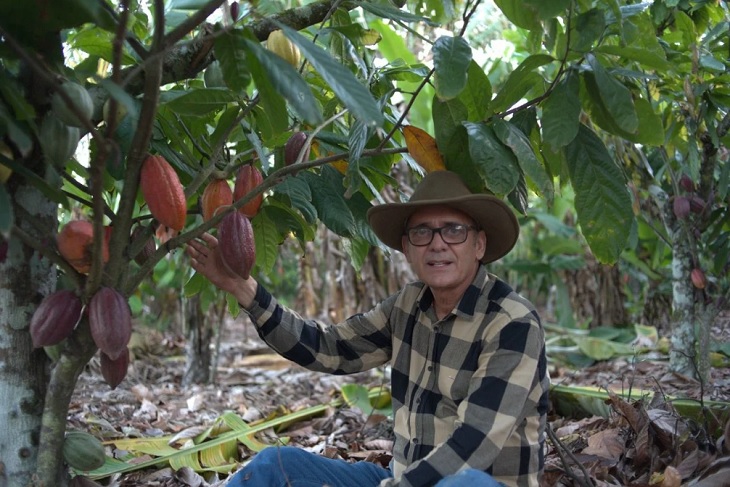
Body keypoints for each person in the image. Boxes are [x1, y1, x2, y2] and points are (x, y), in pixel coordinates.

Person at [187, 170, 549, 487]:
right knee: (275, 467)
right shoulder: (407, 306)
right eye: (423, 232)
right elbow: (329, 348)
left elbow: (475, 443)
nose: (438, 243)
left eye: (454, 230)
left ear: (479, 244)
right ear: (407, 248)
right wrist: (244, 290)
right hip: (402, 478)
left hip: (476, 484)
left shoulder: (512, 323)